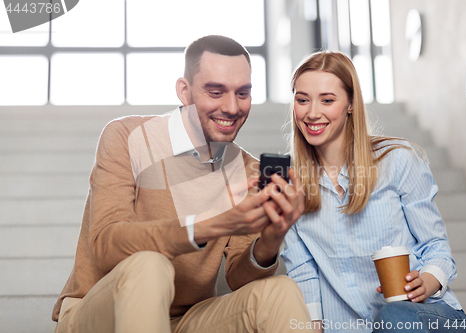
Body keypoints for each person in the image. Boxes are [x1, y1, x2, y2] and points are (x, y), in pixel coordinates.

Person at [52, 35, 314, 333]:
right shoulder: (127, 137)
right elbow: (106, 245)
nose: (231, 107)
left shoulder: (248, 170)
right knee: (150, 265)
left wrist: (270, 239)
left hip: (185, 321)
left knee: (279, 291)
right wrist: (213, 225)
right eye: (216, 92)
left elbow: (239, 280)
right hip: (99, 315)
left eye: (242, 93)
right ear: (184, 91)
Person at [280, 51, 466, 333]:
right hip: (347, 326)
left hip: (427, 315)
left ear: (351, 104)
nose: (312, 112)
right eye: (302, 99)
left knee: (395, 318)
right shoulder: (289, 183)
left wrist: (427, 281)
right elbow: (302, 270)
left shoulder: (397, 160)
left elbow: (437, 248)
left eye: (327, 100)